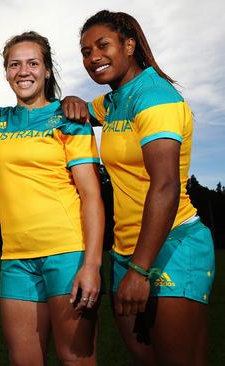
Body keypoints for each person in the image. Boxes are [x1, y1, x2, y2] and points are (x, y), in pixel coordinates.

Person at [0, 31, 104, 365]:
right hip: (15, 260)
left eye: (32, 63)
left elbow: (91, 196)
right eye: (15, 64)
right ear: (6, 72)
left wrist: (91, 265)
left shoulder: (68, 118)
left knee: (75, 359)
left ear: (46, 71)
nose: (23, 71)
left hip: (67, 254)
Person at [62, 10, 215, 365]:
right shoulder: (115, 101)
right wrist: (72, 102)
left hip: (170, 244)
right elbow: (85, 110)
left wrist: (140, 270)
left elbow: (165, 186)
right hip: (126, 250)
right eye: (86, 52)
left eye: (103, 45)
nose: (93, 57)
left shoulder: (154, 97)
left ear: (129, 45)